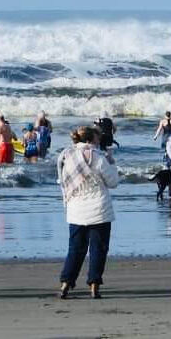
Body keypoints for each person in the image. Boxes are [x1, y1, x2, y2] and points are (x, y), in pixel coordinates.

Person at [56, 126, 119, 299]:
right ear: (92, 140)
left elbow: (63, 182)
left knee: (75, 248)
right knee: (98, 248)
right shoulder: (99, 158)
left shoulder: (66, 157)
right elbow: (113, 182)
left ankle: (66, 283)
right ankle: (94, 285)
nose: (99, 142)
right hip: (99, 209)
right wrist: (112, 162)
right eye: (98, 139)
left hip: (76, 209)